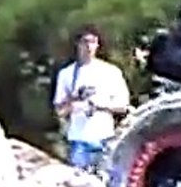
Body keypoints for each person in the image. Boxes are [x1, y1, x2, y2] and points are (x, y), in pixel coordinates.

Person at [52, 25, 131, 172]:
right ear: (78, 44)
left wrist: (99, 106)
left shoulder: (111, 72)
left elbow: (123, 106)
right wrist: (75, 100)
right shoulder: (67, 74)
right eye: (85, 42)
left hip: (105, 138)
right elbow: (59, 111)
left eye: (93, 42)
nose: (89, 47)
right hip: (78, 140)